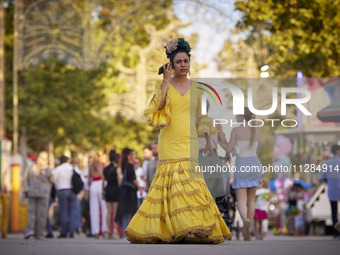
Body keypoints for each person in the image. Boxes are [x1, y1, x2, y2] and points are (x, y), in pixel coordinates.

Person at [125, 38, 231, 244]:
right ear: (170, 65)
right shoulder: (162, 84)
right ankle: (176, 230)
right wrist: (165, 81)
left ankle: (191, 229)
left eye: (186, 61)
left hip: (190, 141)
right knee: (171, 185)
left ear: (190, 63)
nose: (183, 65)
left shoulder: (198, 88)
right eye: (179, 62)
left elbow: (202, 117)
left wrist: (209, 141)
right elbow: (158, 107)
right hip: (169, 142)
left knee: (190, 185)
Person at [219, 107, 262, 241]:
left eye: (237, 115)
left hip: (242, 163)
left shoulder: (236, 130)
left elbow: (229, 148)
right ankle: (248, 230)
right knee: (251, 200)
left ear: (242, 117)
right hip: (255, 163)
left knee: (241, 201)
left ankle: (245, 221)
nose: (235, 118)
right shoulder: (257, 131)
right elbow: (257, 150)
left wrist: (217, 141)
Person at [23, 151, 53, 240]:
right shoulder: (47, 169)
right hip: (43, 194)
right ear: (46, 159)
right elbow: (52, 180)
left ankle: (30, 231)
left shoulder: (31, 167)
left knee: (31, 213)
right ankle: (39, 234)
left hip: (32, 192)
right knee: (42, 214)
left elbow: (26, 179)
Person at [115, 148, 144, 237]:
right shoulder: (130, 166)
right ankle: (131, 232)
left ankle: (125, 233)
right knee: (132, 212)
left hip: (125, 192)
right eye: (133, 155)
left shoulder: (125, 165)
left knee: (126, 213)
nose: (134, 157)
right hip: (130, 193)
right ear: (129, 156)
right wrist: (140, 187)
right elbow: (133, 179)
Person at [54, 153, 81, 238]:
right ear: (68, 160)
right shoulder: (73, 168)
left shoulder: (58, 169)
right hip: (72, 191)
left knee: (63, 211)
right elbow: (81, 179)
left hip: (62, 191)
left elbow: (54, 180)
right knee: (72, 211)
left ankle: (64, 232)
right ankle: (72, 231)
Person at [320, 144, 340, 239]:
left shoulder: (327, 163)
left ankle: (337, 233)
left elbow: (322, 178)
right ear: (337, 151)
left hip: (332, 190)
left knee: (334, 212)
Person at [102, 150, 121, 239]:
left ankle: (108, 230)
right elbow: (119, 182)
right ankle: (115, 231)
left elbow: (103, 182)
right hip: (115, 190)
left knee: (109, 211)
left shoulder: (105, 169)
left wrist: (103, 192)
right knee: (115, 211)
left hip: (108, 190)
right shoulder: (117, 169)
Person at [89, 151, 108, 239]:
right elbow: (102, 176)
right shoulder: (102, 165)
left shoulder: (91, 166)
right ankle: (104, 230)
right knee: (104, 208)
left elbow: (89, 180)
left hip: (93, 185)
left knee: (94, 209)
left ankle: (95, 231)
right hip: (100, 184)